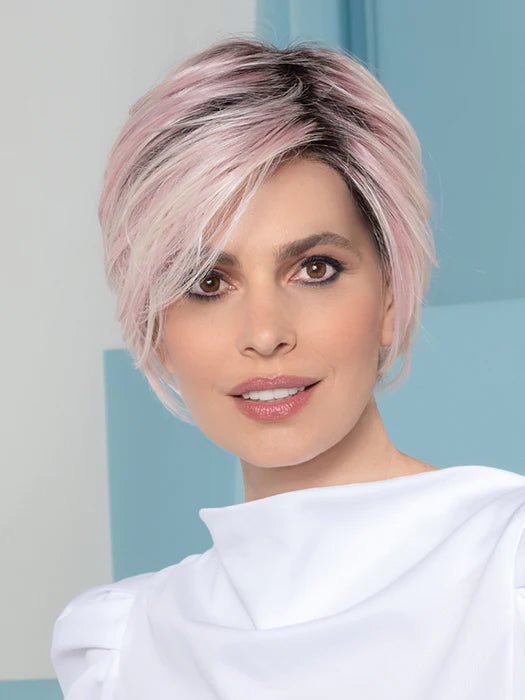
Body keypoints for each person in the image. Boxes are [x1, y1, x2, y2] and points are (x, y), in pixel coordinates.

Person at [50, 35, 525, 699]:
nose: (266, 334)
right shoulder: (125, 647)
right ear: (156, 330)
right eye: (207, 283)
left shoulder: (507, 565)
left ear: (390, 296)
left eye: (315, 269)